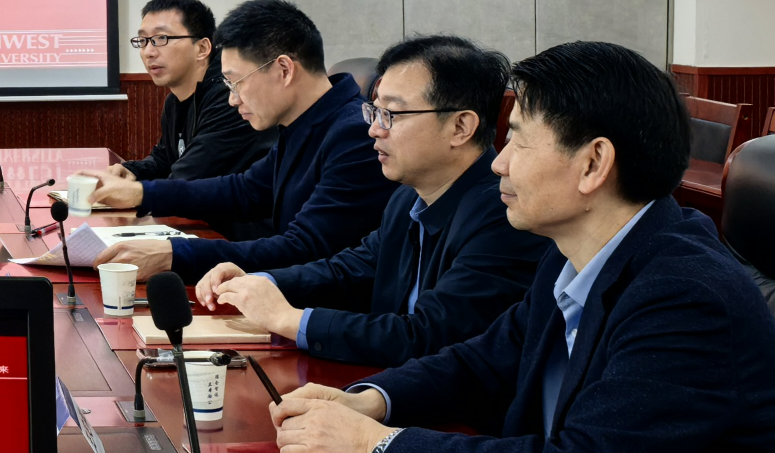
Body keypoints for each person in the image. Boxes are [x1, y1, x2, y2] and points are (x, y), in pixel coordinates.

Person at [269, 41, 775, 453]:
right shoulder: (573, 251)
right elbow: (486, 359)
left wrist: (376, 447)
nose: (497, 163)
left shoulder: (686, 295)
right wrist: (371, 399)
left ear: (593, 164)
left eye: (518, 141)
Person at [193, 35, 547, 366]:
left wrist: (289, 319)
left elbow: (427, 336)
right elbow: (348, 270)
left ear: (460, 127)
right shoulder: (407, 197)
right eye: (374, 112)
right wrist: (261, 281)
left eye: (391, 114)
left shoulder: (503, 215)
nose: (374, 129)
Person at [96, 0, 392, 283]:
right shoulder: (304, 123)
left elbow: (304, 249)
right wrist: (142, 194)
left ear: (284, 69)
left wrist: (175, 254)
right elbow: (245, 190)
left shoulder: (355, 135)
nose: (232, 99)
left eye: (236, 82)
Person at [77, 0, 271, 188]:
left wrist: (133, 192)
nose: (148, 52)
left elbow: (190, 178)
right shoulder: (174, 100)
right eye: (143, 40)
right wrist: (131, 171)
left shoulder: (230, 97)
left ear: (202, 48)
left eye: (162, 38)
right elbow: (164, 159)